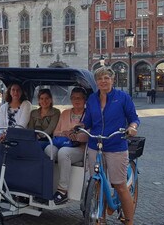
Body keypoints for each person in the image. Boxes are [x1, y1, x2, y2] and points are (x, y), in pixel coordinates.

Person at [80, 67, 139, 225]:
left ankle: (129, 221)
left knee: (119, 186)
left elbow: (134, 118)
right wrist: (79, 126)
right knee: (98, 185)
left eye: (106, 78)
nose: (103, 81)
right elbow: (88, 122)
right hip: (95, 145)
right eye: (100, 79)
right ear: (96, 82)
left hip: (116, 145)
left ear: (113, 80)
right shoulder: (92, 99)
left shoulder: (122, 97)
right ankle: (102, 219)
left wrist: (132, 127)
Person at [45, 87, 88, 204]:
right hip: (62, 143)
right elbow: (55, 132)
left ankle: (62, 190)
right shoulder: (65, 113)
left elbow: (89, 135)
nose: (76, 100)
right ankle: (46, 185)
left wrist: (77, 136)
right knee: (48, 149)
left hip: (79, 148)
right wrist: (65, 133)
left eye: (79, 98)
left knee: (63, 153)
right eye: (73, 98)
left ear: (85, 100)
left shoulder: (88, 114)